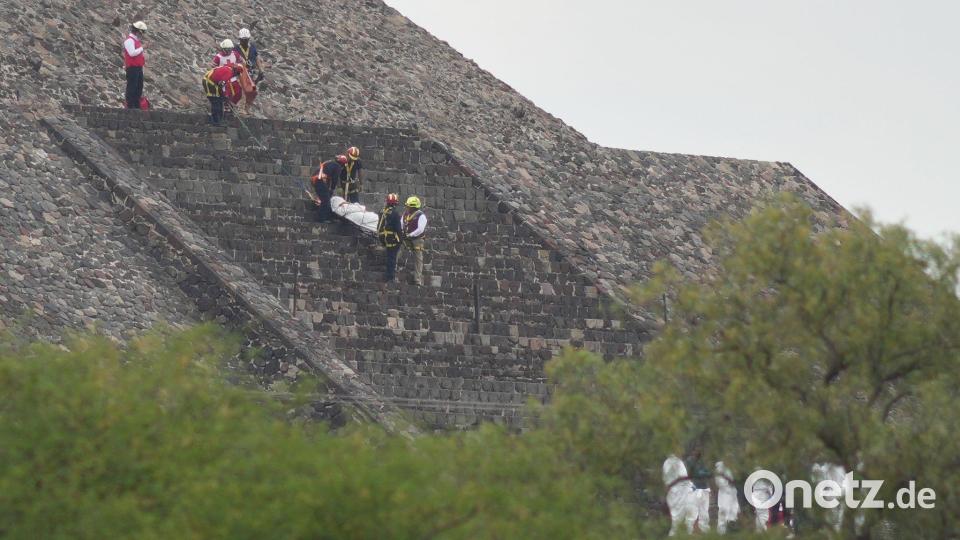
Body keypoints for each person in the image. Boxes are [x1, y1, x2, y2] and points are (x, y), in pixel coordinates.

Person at [663, 455, 699, 536]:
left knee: (678, 521)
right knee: (681, 521)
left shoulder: (667, 463)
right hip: (679, 494)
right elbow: (683, 478)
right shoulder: (675, 462)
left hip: (674, 494)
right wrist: (691, 486)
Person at [377, 193, 403, 283]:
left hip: (383, 237)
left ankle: (388, 275)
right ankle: (390, 276)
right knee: (392, 257)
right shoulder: (395, 214)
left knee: (389, 255)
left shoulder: (382, 211)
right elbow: (398, 228)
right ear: (395, 203)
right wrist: (400, 240)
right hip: (391, 238)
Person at [684, 449, 712, 533]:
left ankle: (705, 531)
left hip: (704, 490)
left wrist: (702, 473)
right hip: (694, 490)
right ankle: (688, 533)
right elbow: (691, 474)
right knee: (692, 513)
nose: (696, 453)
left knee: (704, 513)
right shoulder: (690, 461)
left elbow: (709, 473)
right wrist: (700, 473)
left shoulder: (701, 462)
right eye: (695, 451)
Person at [402, 196, 427, 286]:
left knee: (418, 258)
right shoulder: (406, 214)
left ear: (414, 207)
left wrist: (410, 235)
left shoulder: (421, 216)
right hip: (406, 237)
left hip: (417, 239)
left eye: (409, 206)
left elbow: (420, 229)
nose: (407, 207)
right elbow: (402, 223)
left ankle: (417, 279)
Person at [311, 156, 345, 222]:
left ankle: (328, 217)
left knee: (326, 199)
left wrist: (328, 190)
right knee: (325, 201)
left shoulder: (330, 163)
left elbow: (328, 178)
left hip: (315, 179)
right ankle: (321, 218)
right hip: (319, 180)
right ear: (342, 164)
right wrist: (332, 189)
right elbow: (335, 179)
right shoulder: (337, 167)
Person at [234, 28, 260, 111]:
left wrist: (261, 69)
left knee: (253, 92)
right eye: (243, 40)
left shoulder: (252, 47)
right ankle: (240, 110)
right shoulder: (235, 48)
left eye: (246, 40)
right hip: (240, 73)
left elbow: (256, 57)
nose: (244, 41)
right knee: (242, 91)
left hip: (250, 73)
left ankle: (246, 108)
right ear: (240, 39)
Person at [122, 21, 147, 109]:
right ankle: (130, 105)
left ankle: (136, 105)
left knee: (139, 87)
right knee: (132, 86)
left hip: (138, 67)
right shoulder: (129, 40)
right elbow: (132, 53)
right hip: (132, 67)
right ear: (137, 32)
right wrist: (142, 48)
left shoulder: (135, 41)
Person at [212, 39, 243, 106]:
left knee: (238, 93)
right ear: (223, 49)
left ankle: (232, 105)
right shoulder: (218, 57)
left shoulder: (235, 54)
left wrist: (238, 66)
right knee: (226, 95)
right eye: (227, 49)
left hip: (233, 78)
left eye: (230, 49)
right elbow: (213, 69)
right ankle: (225, 106)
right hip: (223, 80)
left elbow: (241, 62)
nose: (229, 51)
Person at [715, 461, 740, 535]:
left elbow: (734, 480)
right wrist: (727, 482)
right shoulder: (719, 471)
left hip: (732, 493)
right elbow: (719, 483)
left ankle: (731, 530)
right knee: (724, 511)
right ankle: (721, 532)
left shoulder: (730, 469)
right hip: (725, 494)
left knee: (733, 511)